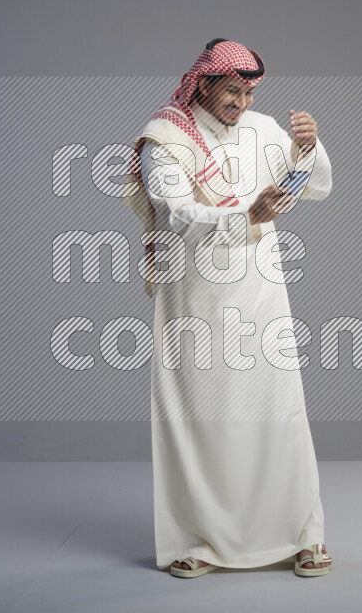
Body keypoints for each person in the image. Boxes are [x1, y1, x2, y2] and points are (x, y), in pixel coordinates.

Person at [122, 39, 333, 577]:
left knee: (278, 411)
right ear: (203, 83)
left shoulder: (264, 130)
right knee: (203, 418)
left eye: (247, 92)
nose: (240, 102)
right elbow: (174, 215)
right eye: (232, 91)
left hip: (261, 289)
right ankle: (197, 541)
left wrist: (307, 148)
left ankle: (303, 534)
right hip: (194, 294)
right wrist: (247, 215)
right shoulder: (165, 139)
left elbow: (314, 189)